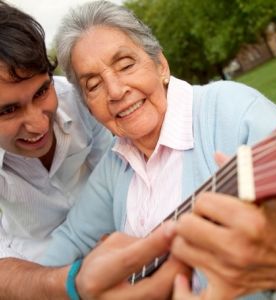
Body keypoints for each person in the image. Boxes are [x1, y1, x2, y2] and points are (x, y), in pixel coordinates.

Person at [39, 1, 276, 299]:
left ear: (160, 65)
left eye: (125, 65)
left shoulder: (232, 109)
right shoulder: (116, 164)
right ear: (88, 106)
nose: (115, 90)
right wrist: (74, 284)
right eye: (93, 85)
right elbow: (69, 239)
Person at [0, 1, 188, 299]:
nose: (38, 125)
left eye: (41, 92)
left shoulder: (83, 97)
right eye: (8, 110)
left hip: (120, 245)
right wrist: (73, 281)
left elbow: (126, 170)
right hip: (33, 277)